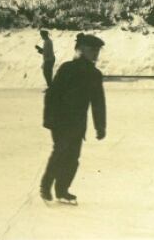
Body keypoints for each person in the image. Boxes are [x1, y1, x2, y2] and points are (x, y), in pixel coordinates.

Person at [40, 34, 107, 205]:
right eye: (92, 50)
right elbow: (52, 95)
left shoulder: (94, 74)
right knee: (61, 152)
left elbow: (98, 102)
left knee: (73, 158)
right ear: (82, 50)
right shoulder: (67, 68)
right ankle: (46, 186)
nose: (96, 53)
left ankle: (62, 190)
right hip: (61, 120)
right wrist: (49, 118)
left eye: (97, 50)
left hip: (78, 123)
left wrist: (100, 126)